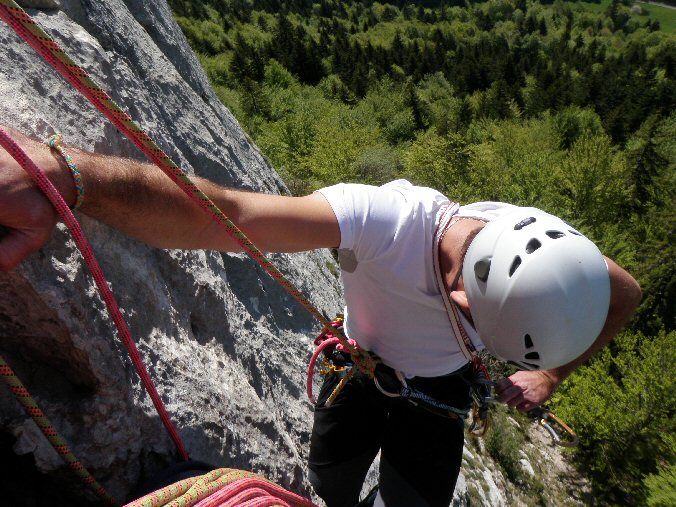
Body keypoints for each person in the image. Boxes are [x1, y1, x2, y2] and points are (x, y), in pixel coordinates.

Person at [0, 127, 641, 507]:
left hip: (440, 393)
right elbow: (230, 218)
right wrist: (67, 175)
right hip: (358, 371)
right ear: (466, 304)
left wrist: (552, 376)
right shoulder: (384, 221)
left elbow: (626, 292)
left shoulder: (563, 259)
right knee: (331, 480)